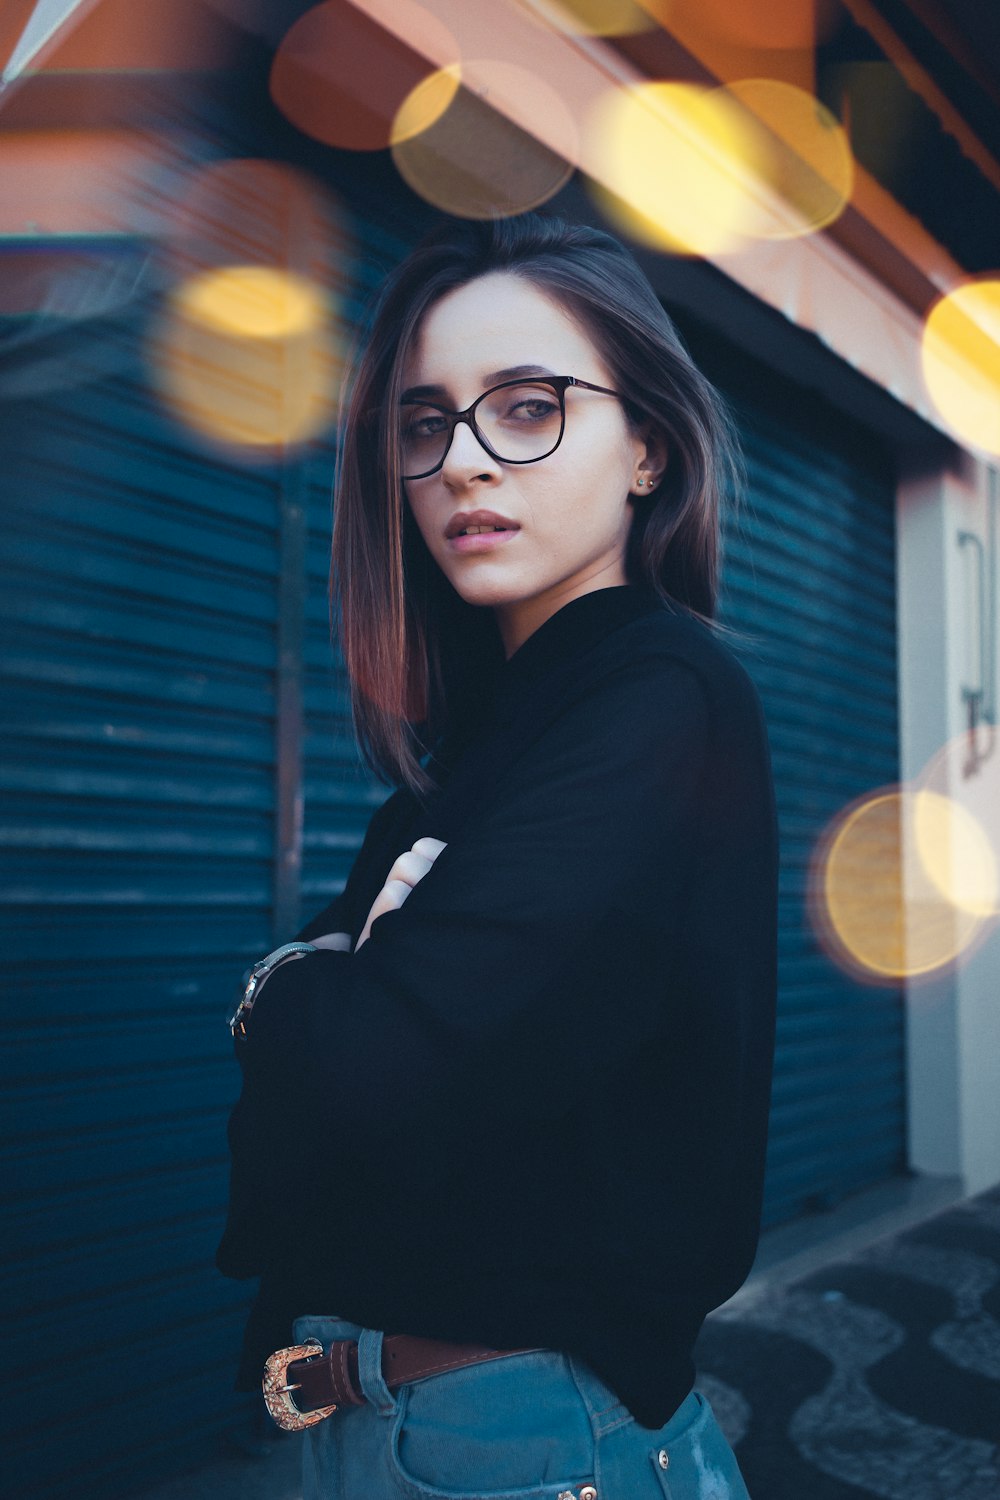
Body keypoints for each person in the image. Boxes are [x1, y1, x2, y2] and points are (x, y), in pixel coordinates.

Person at [217, 211, 779, 1500]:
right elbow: (335, 1119)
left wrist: (282, 988)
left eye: (527, 407)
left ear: (646, 446)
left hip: (517, 1447)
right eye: (426, 423)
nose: (465, 462)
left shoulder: (658, 696)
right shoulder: (477, 744)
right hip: (399, 1428)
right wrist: (340, 992)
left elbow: (366, 1075)